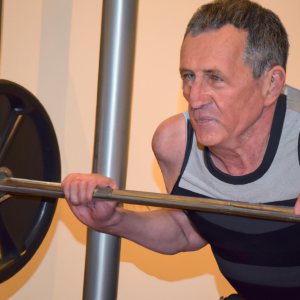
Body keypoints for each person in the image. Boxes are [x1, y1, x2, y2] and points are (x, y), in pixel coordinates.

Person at [62, 0, 300, 299]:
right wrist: (112, 219)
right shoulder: (175, 144)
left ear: (271, 84)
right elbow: (187, 229)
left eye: (216, 78)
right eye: (189, 76)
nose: (195, 97)